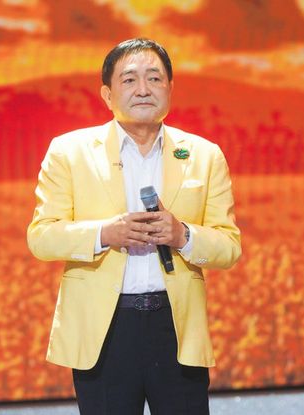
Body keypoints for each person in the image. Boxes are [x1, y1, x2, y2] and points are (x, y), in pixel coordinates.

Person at [27, 38, 241, 414]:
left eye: (154, 78)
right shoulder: (69, 152)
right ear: (107, 95)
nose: (143, 89)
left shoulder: (204, 156)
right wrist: (104, 234)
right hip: (105, 330)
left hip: (175, 327)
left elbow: (229, 247)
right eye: (129, 80)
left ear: (170, 88)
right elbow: (41, 236)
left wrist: (182, 235)